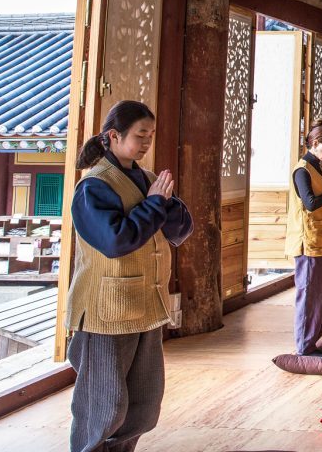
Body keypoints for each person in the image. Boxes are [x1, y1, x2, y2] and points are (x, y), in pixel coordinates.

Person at [66, 100, 193, 452]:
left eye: (150, 135)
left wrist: (165, 204)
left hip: (146, 306)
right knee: (104, 408)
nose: (147, 142)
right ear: (114, 136)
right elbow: (115, 241)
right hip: (107, 311)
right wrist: (153, 204)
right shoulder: (94, 186)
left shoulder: (148, 179)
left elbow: (180, 230)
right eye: (140, 135)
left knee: (144, 405)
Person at [284, 119, 322, 356]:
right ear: (315, 142)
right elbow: (310, 203)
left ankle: (312, 342)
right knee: (309, 295)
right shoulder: (302, 169)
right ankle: (304, 346)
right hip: (308, 242)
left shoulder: (320, 168)